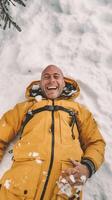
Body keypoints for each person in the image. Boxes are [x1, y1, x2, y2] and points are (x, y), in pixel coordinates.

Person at [0, 65, 105, 200]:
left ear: (63, 82)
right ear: (41, 83)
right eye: (46, 77)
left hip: (65, 186)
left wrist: (87, 168)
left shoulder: (78, 110)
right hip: (18, 187)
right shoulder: (26, 107)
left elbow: (96, 142)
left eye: (56, 76)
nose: (51, 80)